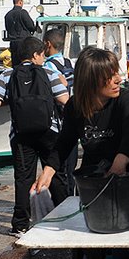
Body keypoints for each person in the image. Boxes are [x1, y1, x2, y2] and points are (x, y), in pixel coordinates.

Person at [33, 46, 129, 197]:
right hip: (92, 181)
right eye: (110, 76)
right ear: (91, 80)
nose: (118, 80)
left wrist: (120, 161)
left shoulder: (128, 100)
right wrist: (48, 171)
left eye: (116, 73)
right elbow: (65, 142)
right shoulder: (74, 106)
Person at [0, 36, 69, 234]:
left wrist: (13, 101)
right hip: (49, 132)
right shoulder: (49, 72)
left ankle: (21, 225)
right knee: (57, 175)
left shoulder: (8, 74)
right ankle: (64, 218)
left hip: (21, 134)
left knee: (23, 178)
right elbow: (64, 99)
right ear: (35, 55)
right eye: (41, 55)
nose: (43, 59)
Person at [42, 28, 77, 200]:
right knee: (71, 167)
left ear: (47, 44)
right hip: (71, 118)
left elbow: (58, 90)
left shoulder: (49, 66)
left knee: (60, 168)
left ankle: (65, 201)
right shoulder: (68, 62)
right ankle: (73, 197)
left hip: (59, 121)